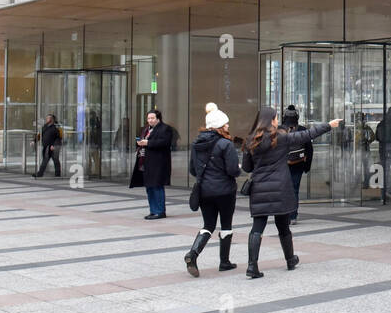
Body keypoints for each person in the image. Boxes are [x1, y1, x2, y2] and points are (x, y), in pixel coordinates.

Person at [242, 106, 340, 279]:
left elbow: (248, 167)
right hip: (280, 188)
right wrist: (328, 125)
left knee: (257, 227)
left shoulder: (251, 141)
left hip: (260, 189)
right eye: (276, 118)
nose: (278, 120)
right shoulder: (280, 137)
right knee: (283, 226)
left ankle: (252, 265)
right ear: (271, 120)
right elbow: (307, 135)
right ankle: (290, 259)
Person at [185, 103, 241, 277]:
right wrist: (238, 168)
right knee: (226, 225)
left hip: (204, 191)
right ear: (219, 126)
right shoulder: (226, 144)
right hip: (225, 191)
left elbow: (193, 170)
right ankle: (224, 262)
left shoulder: (196, 144)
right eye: (226, 124)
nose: (228, 126)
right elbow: (233, 170)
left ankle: (192, 254)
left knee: (208, 225)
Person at [130, 109, 172, 219]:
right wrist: (140, 143)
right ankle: (153, 210)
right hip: (146, 162)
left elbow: (165, 142)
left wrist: (148, 143)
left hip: (158, 163)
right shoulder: (146, 129)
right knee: (149, 187)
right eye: (148, 118)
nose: (150, 120)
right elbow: (143, 141)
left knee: (157, 186)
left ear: (158, 118)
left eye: (152, 118)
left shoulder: (165, 129)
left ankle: (160, 211)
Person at [280, 105, 312, 223]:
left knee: (283, 190)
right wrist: (307, 166)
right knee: (294, 190)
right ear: (297, 116)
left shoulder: (280, 129)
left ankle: (284, 215)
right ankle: (293, 216)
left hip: (282, 164)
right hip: (298, 164)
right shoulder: (302, 129)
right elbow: (309, 149)